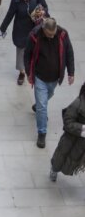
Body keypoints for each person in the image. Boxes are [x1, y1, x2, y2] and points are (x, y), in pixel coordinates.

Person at [24, 18, 75, 148]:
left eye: (53, 33)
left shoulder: (63, 34)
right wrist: (28, 72)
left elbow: (69, 52)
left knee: (47, 97)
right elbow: (27, 54)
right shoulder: (34, 35)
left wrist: (71, 72)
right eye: (49, 34)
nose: (52, 36)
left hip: (55, 78)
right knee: (42, 106)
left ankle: (39, 106)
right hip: (40, 76)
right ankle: (42, 133)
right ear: (43, 29)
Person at [0, 0, 49, 85]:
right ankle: (22, 72)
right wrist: (3, 27)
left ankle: (34, 68)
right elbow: (10, 14)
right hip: (20, 30)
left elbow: (45, 8)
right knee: (21, 51)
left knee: (35, 50)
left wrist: (42, 12)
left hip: (35, 30)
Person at [49, 82, 85, 182]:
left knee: (77, 161)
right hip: (71, 139)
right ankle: (54, 169)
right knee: (60, 159)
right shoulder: (78, 103)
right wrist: (82, 128)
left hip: (82, 145)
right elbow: (68, 122)